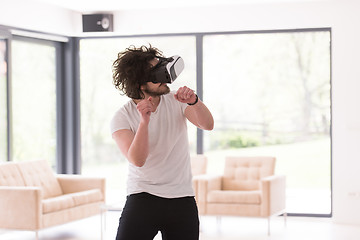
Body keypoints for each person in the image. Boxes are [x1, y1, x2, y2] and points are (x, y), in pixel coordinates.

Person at [110, 45, 214, 240]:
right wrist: (144, 121)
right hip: (143, 197)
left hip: (181, 198)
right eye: (157, 73)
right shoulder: (122, 117)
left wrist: (194, 102)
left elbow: (208, 125)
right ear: (141, 84)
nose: (166, 77)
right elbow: (137, 159)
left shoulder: (176, 100)